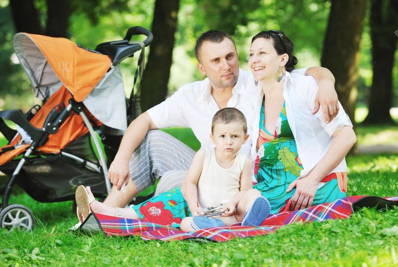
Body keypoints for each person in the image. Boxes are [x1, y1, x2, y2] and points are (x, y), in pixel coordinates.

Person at [89, 30, 340, 213]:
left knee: (172, 183)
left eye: (230, 57)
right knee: (153, 140)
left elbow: (308, 73)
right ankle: (104, 211)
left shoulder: (257, 81)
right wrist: (121, 157)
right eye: (216, 61)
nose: (227, 66)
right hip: (209, 168)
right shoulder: (191, 95)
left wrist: (327, 83)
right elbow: (143, 120)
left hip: (244, 178)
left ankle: (126, 216)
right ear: (202, 68)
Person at [75, 108, 270, 230]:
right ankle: (105, 210)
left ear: (245, 139)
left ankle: (222, 223)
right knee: (154, 207)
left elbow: (243, 191)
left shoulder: (243, 161)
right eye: (223, 136)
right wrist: (193, 204)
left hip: (221, 210)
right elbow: (191, 182)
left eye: (235, 137)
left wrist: (234, 203)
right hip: (193, 204)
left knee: (251, 195)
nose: (229, 141)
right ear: (212, 137)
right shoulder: (205, 154)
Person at [247, 30, 356, 213]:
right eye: (251, 54)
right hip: (270, 184)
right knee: (227, 199)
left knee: (242, 206)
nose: (254, 59)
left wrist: (312, 179)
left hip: (313, 184)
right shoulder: (253, 97)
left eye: (262, 53)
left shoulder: (305, 86)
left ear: (282, 59)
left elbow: (347, 136)